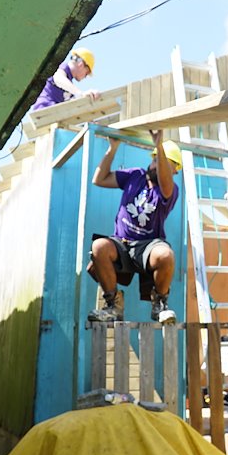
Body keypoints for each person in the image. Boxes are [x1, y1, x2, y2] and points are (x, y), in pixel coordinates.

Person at [87, 131, 182, 324]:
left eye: (163, 162)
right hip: (121, 243)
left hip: (148, 246)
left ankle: (160, 304)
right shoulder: (135, 176)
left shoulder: (170, 191)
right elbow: (99, 179)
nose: (156, 164)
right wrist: (112, 149)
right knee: (98, 247)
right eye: (155, 159)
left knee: (166, 255)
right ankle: (113, 305)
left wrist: (159, 145)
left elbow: (165, 184)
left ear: (174, 171)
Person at [32, 47, 100, 110]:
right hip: (45, 109)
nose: (85, 76)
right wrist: (81, 94)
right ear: (81, 64)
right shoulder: (61, 68)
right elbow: (58, 78)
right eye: (87, 73)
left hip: (53, 113)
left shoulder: (69, 86)